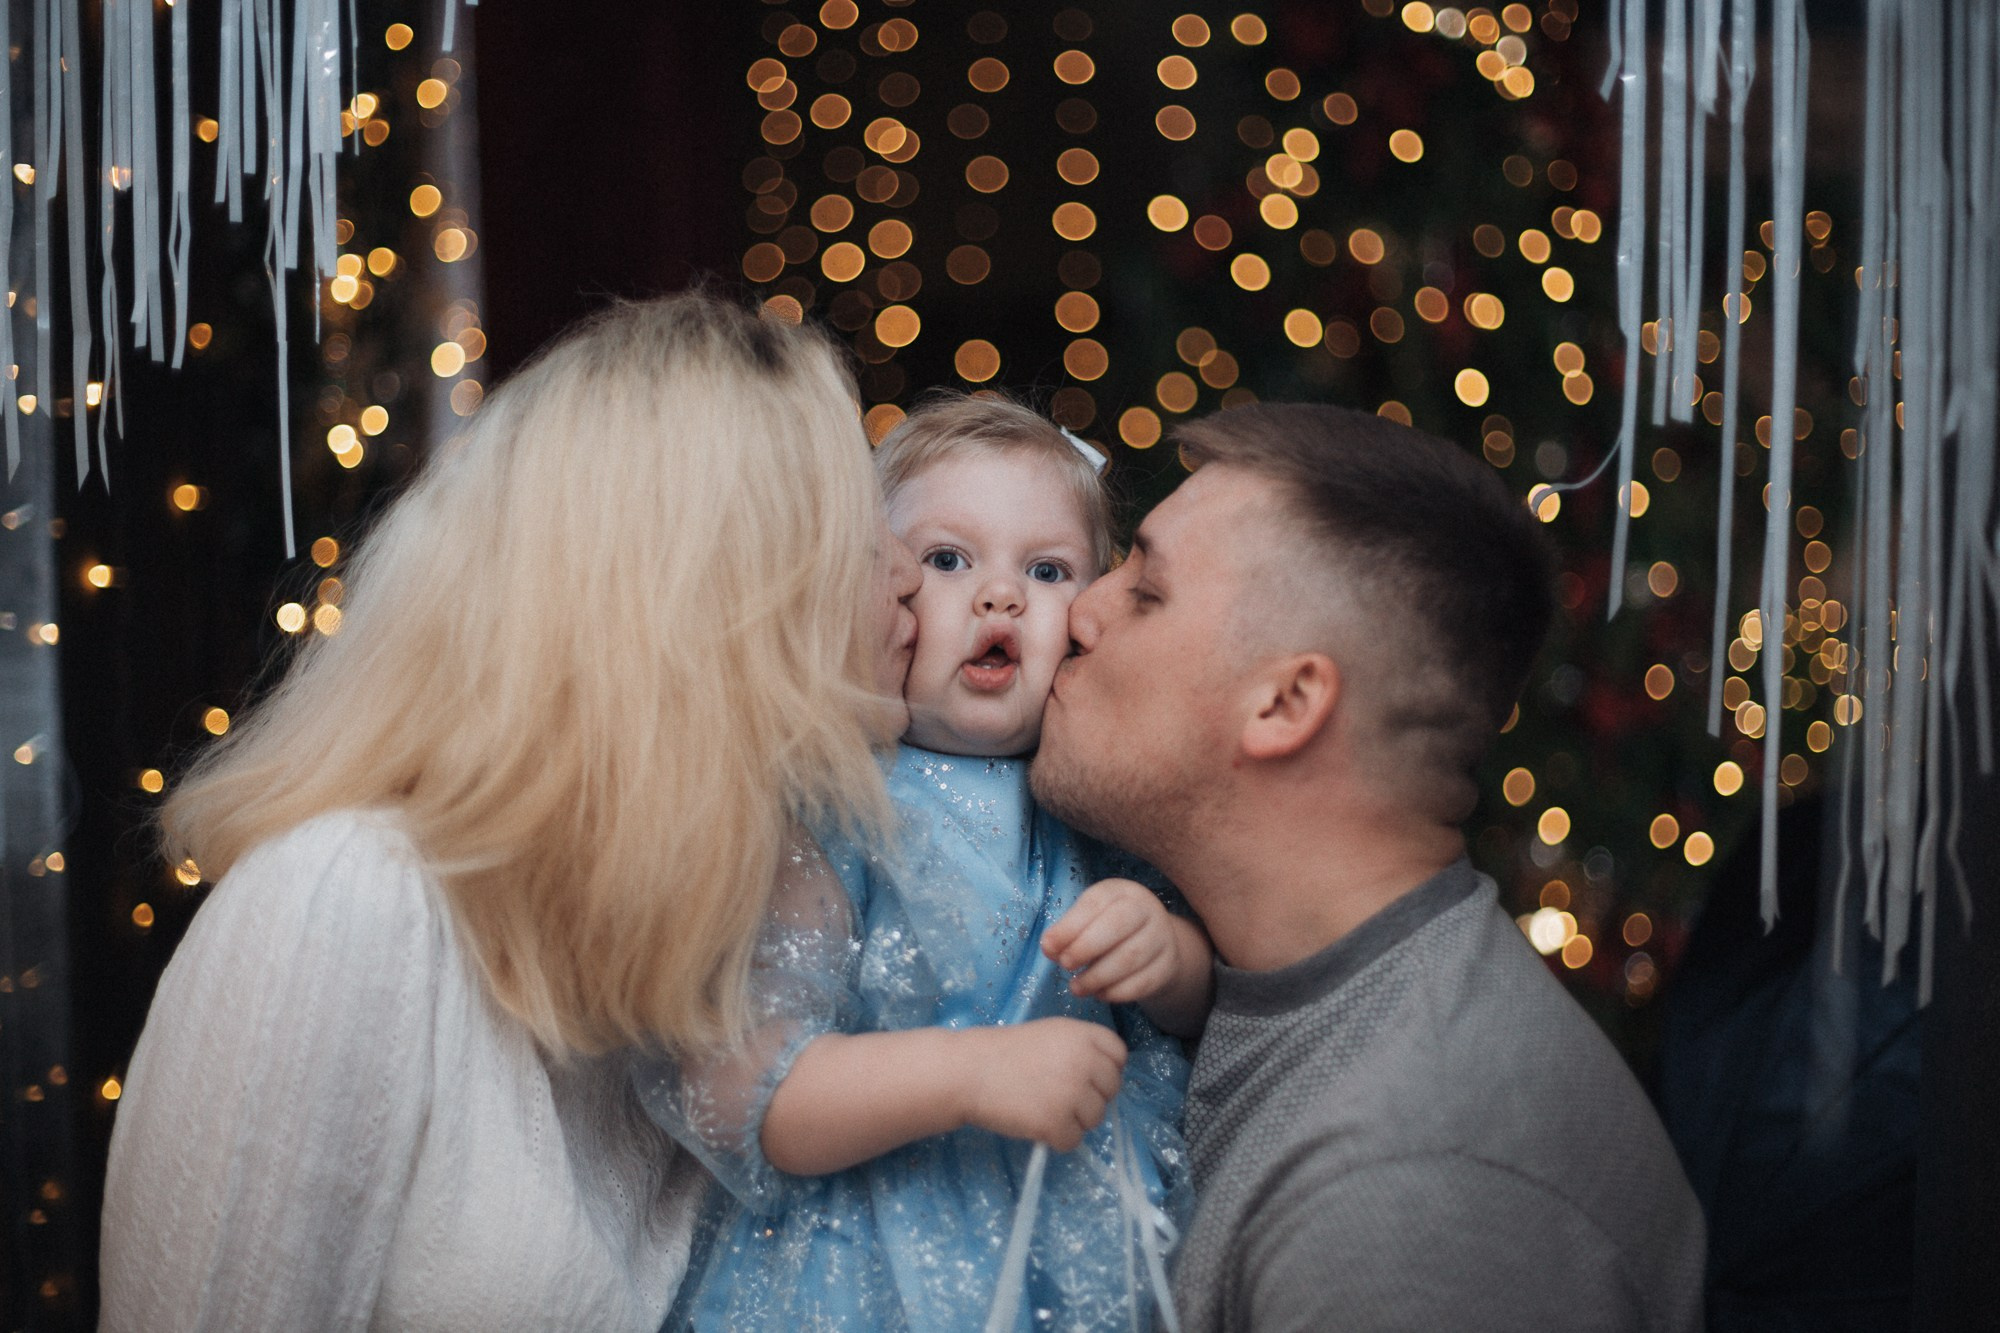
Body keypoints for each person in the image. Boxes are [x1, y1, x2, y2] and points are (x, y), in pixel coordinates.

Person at [98, 293, 924, 1330]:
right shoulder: (343, 901)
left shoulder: (710, 942)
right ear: (719, 586)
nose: (909, 577)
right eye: (858, 532)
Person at [1031, 403, 1707, 1332]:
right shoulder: (1265, 980)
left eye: (1146, 592)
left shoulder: (1403, 1202)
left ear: (1286, 702)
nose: (1078, 607)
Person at [638, 396, 1209, 1332]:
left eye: (1048, 568)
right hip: (862, 1265)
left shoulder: (1098, 802)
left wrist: (1170, 957)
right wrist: (969, 1073)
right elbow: (750, 1098)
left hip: (1079, 1252)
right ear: (878, 588)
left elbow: (1197, 1019)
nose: (1001, 596)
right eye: (948, 561)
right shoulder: (836, 806)